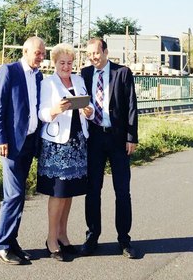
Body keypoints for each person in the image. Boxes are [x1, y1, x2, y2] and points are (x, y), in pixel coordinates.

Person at [80, 37, 139, 258]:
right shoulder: (85, 75)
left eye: (96, 53)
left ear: (105, 51)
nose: (93, 57)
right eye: (89, 54)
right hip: (94, 139)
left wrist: (131, 137)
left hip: (117, 140)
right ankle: (92, 236)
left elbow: (132, 106)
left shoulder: (122, 72)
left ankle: (124, 240)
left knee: (122, 191)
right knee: (93, 190)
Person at [0, 36, 45, 265]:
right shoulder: (9, 71)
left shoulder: (39, 75)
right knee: (13, 195)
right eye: (37, 53)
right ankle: (1, 245)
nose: (41, 57)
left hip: (30, 143)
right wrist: (0, 139)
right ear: (25, 51)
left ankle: (12, 243)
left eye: (43, 53)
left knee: (20, 196)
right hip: (11, 145)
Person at [37, 43, 94, 261]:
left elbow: (89, 107)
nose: (66, 67)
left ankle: (63, 235)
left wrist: (88, 111)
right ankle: (51, 239)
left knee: (69, 193)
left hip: (78, 143)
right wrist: (54, 110)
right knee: (58, 192)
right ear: (54, 63)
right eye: (62, 63)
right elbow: (41, 112)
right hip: (58, 144)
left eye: (70, 63)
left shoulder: (78, 80)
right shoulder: (48, 83)